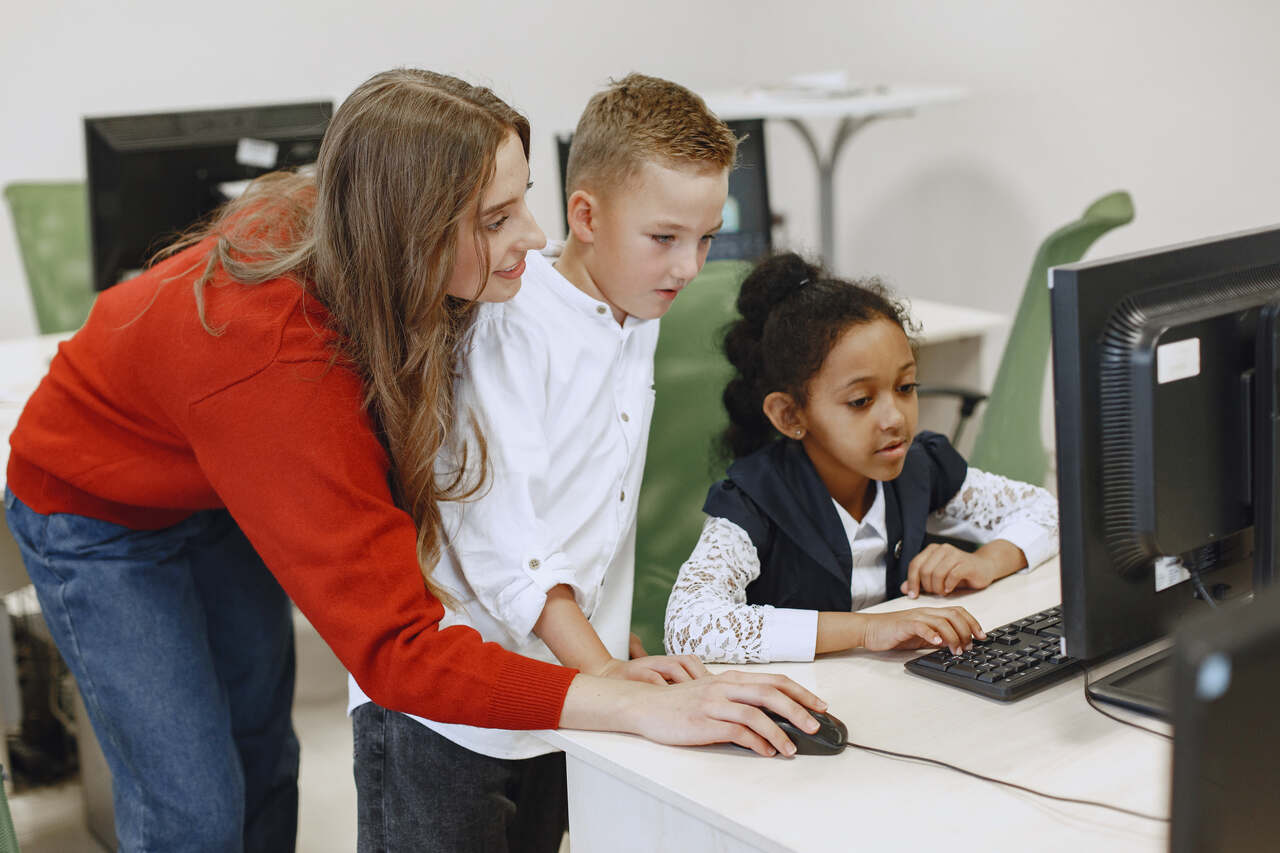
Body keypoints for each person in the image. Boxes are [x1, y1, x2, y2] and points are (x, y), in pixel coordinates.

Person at [3, 70, 825, 853]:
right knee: (195, 803)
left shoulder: (366, 234)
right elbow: (398, 649)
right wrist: (622, 700)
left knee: (262, 758)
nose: (535, 239)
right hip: (95, 507)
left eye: (523, 201)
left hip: (216, 475)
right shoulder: (278, 366)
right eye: (496, 220)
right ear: (412, 231)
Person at [348, 72, 738, 853]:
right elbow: (503, 535)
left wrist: (609, 643)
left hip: (555, 694)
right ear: (585, 215)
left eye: (707, 239)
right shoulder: (506, 320)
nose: (689, 267)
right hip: (449, 715)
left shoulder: (636, 310)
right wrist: (600, 675)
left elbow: (601, 502)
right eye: (665, 238)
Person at [663, 252, 1059, 664]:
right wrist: (868, 629)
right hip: (802, 707)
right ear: (790, 415)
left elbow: (1045, 510)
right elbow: (688, 626)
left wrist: (986, 561)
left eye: (906, 387)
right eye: (860, 400)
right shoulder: (755, 502)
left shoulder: (920, 468)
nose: (894, 418)